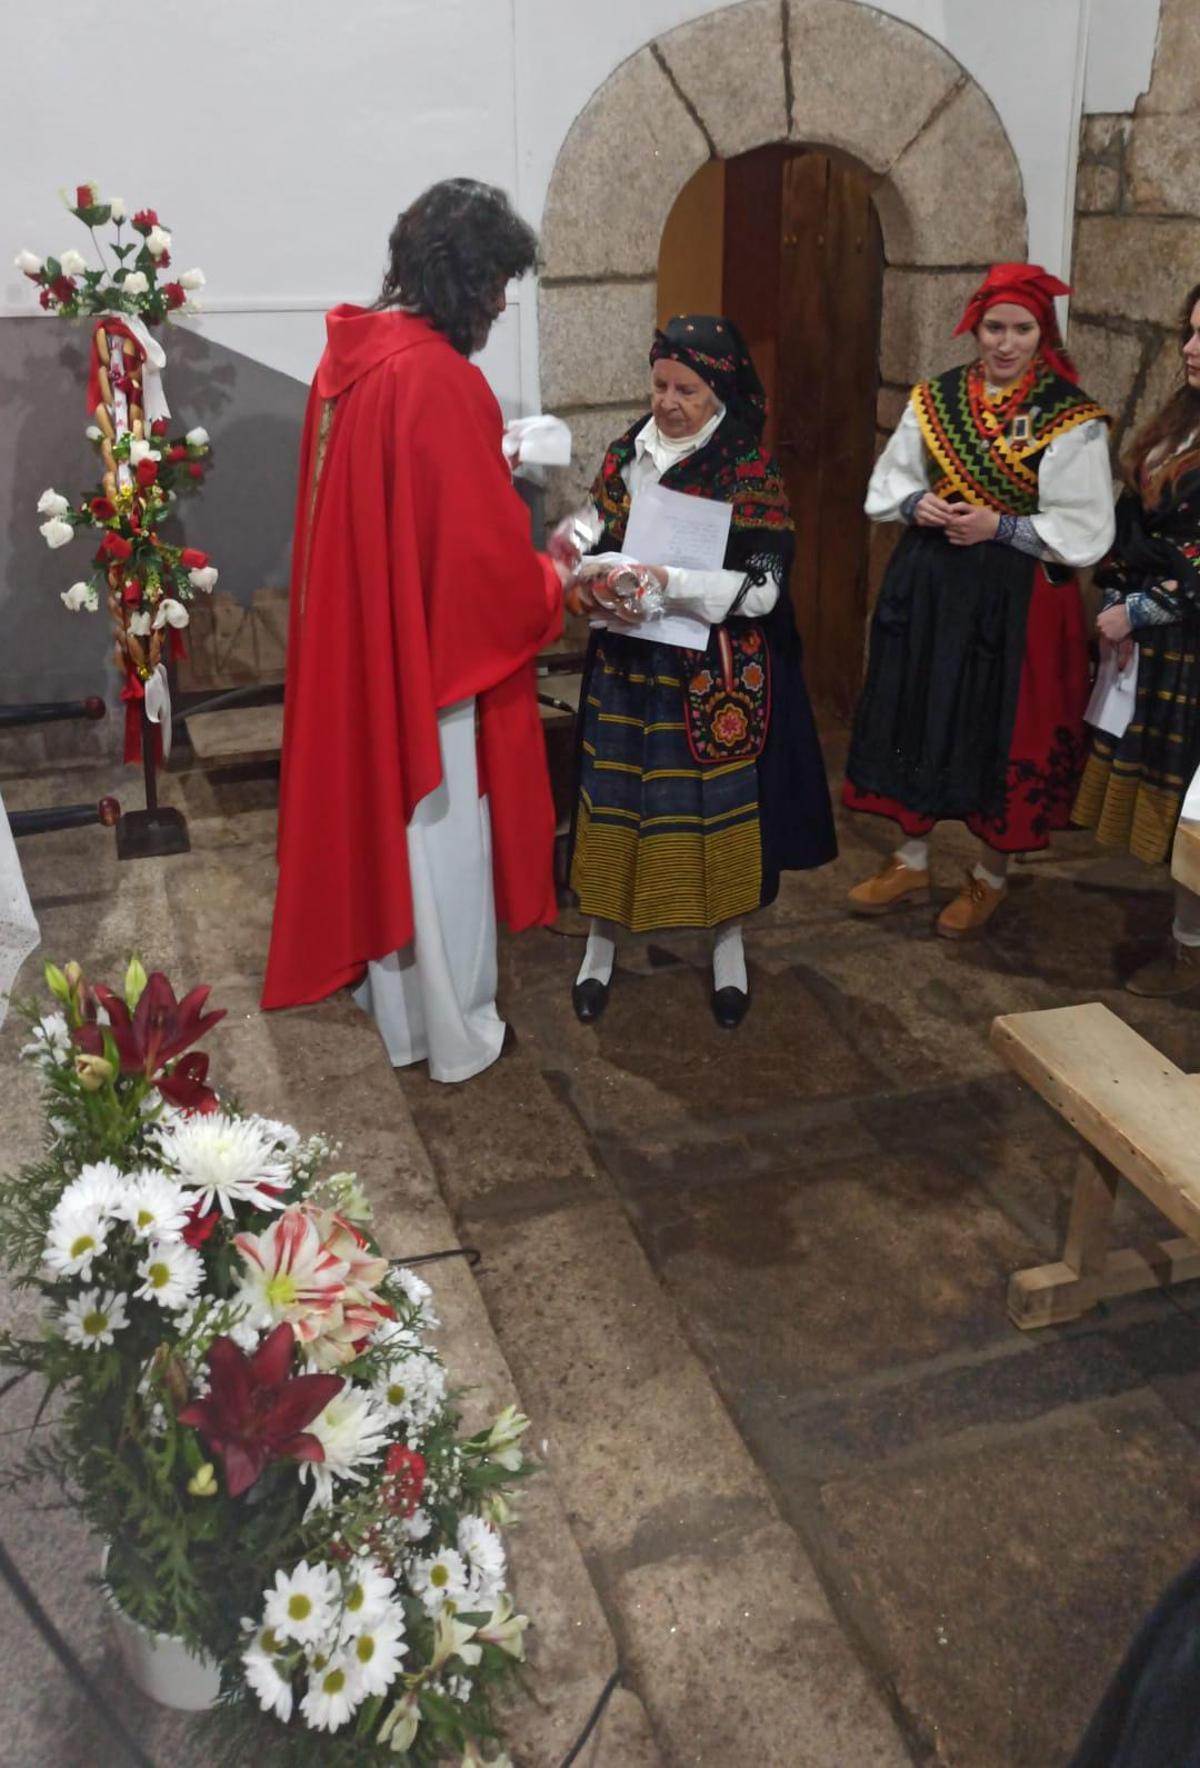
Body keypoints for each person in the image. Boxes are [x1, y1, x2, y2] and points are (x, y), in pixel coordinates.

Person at [262, 180, 567, 1082]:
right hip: (435, 667)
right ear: (463, 280)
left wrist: (488, 453)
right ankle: (455, 1033)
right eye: (498, 282)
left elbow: (392, 506)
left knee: (387, 834)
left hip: (367, 643)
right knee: (442, 845)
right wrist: (553, 579)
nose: (505, 300)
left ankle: (397, 1017)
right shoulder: (437, 376)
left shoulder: (353, 356)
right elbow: (476, 566)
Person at [567, 315, 836, 1029]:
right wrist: (582, 568)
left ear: (718, 391)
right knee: (616, 802)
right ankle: (600, 946)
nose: (668, 401)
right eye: (659, 384)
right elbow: (591, 528)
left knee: (713, 815)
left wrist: (672, 582)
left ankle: (727, 947)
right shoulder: (628, 451)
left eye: (686, 388)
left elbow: (766, 589)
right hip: (628, 662)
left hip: (712, 673)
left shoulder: (748, 469)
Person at [842, 263, 1114, 936]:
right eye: (995, 327)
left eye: (1022, 329)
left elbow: (1085, 529)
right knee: (920, 709)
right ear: (975, 327)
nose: (1005, 342)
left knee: (999, 725)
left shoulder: (1067, 416)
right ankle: (910, 859)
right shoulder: (935, 400)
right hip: (935, 580)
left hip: (1015, 593)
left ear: (1040, 332)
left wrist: (1002, 526)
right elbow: (887, 483)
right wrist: (917, 502)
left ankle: (990, 875)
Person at [1072, 282, 1200, 997]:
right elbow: (1139, 525)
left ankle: (1193, 954)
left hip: (1189, 638)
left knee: (1196, 811)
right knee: (1182, 811)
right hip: (1168, 635)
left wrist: (1141, 609)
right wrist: (1124, 588)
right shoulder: (1182, 421)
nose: (1188, 346)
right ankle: (1189, 941)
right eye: (1188, 329)